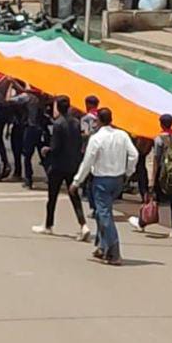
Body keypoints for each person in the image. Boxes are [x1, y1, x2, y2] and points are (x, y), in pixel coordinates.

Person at [73, 107, 139, 265]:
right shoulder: (122, 135)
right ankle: (102, 246)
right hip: (118, 179)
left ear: (99, 121)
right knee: (101, 212)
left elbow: (87, 161)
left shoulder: (96, 139)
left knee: (104, 215)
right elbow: (134, 154)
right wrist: (129, 171)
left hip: (102, 179)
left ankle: (114, 251)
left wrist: (77, 181)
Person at [34, 95, 90, 239]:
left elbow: (56, 146)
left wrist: (47, 149)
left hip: (58, 165)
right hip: (72, 164)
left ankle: (48, 224)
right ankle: (83, 224)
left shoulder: (58, 124)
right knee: (74, 195)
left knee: (52, 197)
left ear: (58, 107)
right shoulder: (76, 122)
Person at [147, 114, 172, 237]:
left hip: (163, 172)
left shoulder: (159, 139)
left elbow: (156, 159)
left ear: (161, 123)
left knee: (152, 198)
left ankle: (143, 221)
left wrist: (152, 179)